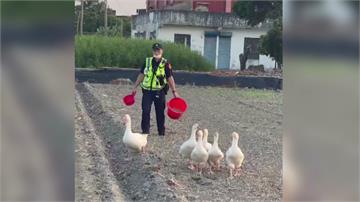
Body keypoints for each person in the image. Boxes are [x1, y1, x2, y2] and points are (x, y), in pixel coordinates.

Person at [131, 43, 179, 136]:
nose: (156, 52)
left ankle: (161, 132)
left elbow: (170, 78)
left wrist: (174, 91)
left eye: (158, 50)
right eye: (155, 50)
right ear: (153, 51)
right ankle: (145, 131)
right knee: (145, 110)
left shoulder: (166, 63)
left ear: (162, 51)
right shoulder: (147, 61)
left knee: (160, 112)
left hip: (159, 91)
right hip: (147, 91)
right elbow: (141, 74)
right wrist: (135, 86)